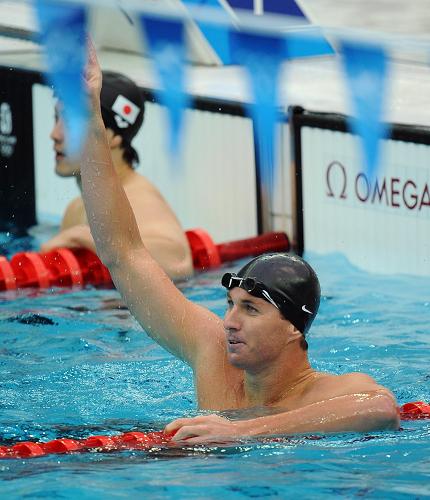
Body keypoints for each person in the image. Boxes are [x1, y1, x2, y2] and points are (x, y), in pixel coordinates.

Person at [77, 43, 400, 444]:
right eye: (231, 305)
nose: (229, 321)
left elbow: (380, 409)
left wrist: (243, 430)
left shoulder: (325, 393)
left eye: (251, 309)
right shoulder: (212, 353)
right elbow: (124, 254)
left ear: (293, 330)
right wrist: (90, 119)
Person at [41, 71, 193, 280]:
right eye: (57, 118)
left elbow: (178, 261)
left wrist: (85, 235)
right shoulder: (75, 210)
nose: (55, 134)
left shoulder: (138, 199)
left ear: (112, 136)